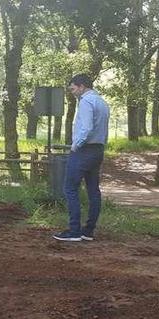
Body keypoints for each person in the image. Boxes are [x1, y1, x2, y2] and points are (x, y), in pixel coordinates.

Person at [53, 74, 110, 242]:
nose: (72, 92)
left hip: (84, 150)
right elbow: (103, 130)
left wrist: (75, 146)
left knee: (70, 188)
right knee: (93, 190)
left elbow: (86, 128)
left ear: (82, 86)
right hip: (98, 149)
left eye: (73, 89)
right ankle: (88, 230)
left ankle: (74, 231)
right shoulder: (102, 102)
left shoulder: (86, 102)